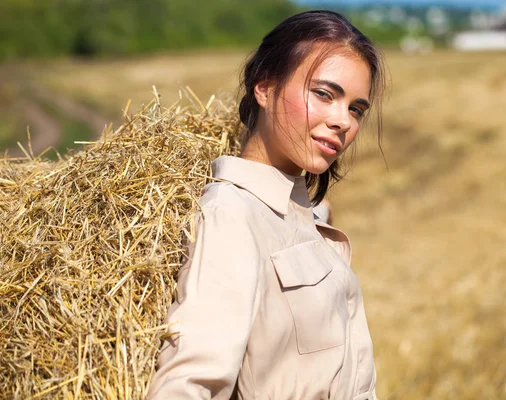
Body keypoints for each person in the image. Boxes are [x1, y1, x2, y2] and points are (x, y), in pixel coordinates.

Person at [147, 10, 385, 400]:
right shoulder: (231, 215)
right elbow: (189, 385)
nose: (343, 121)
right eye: (324, 94)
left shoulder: (302, 214)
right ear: (265, 87)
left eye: (356, 108)